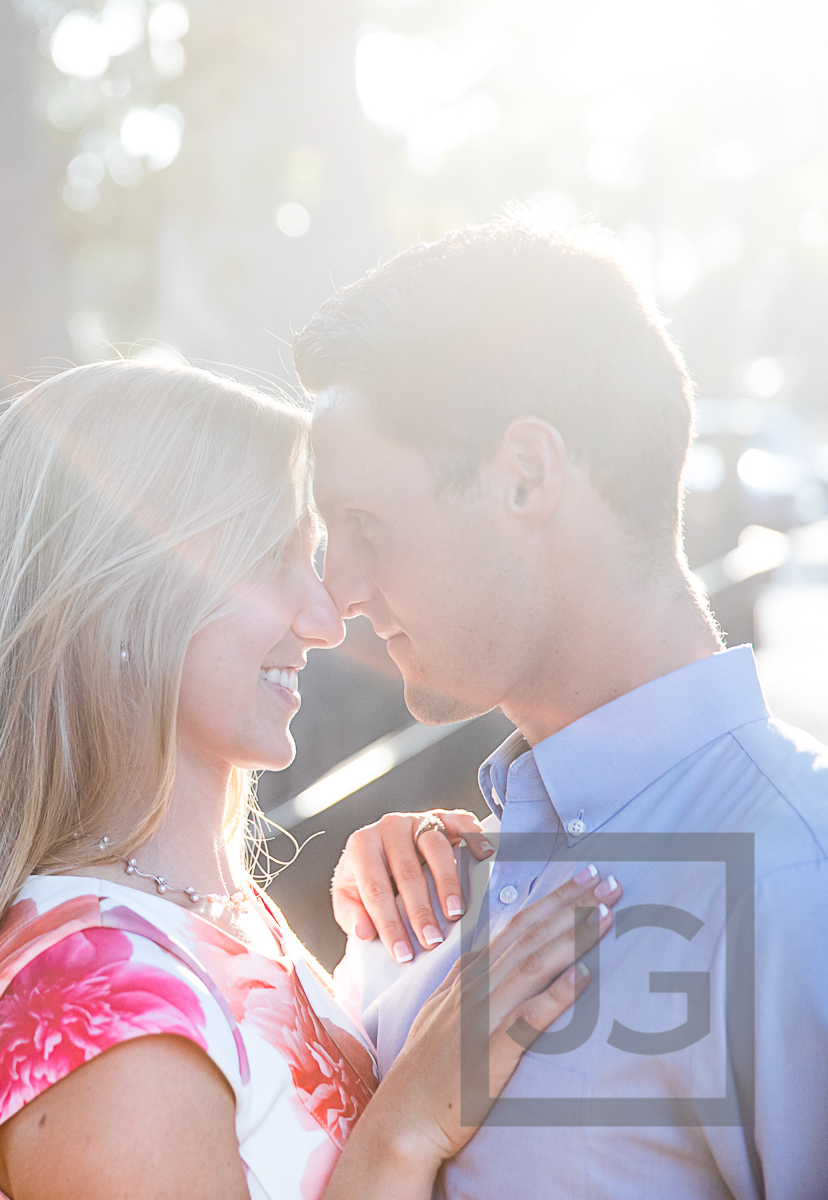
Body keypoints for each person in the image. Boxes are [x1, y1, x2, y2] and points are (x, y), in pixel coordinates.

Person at [0, 359, 618, 1200]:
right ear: (127, 596)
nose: (322, 619)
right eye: (275, 556)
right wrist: (410, 1122)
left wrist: (396, 930)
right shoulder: (96, 1005)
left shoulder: (192, 917)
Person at [296, 218, 828, 1198]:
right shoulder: (430, 890)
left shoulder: (794, 879)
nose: (342, 594)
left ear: (526, 474)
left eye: (364, 524)